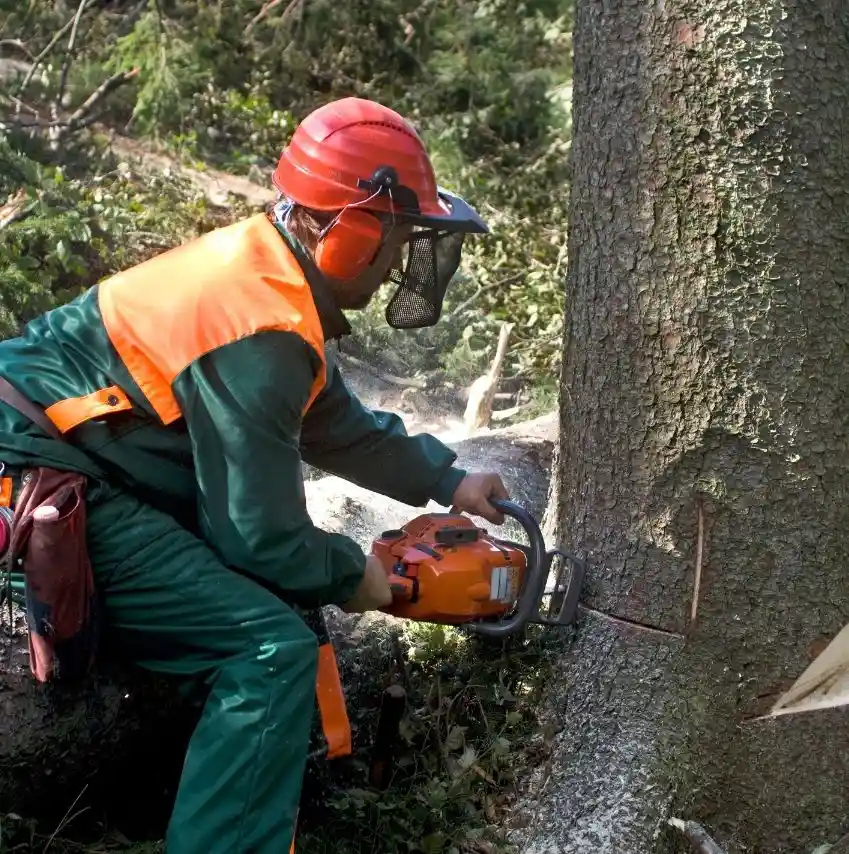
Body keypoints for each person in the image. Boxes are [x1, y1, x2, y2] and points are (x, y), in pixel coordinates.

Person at [0, 97, 510, 852]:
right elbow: (260, 537)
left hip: (76, 454)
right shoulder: (261, 327)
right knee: (268, 652)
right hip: (47, 473)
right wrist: (358, 577)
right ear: (353, 227)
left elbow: (334, 424)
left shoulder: (266, 279)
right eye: (398, 238)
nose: (402, 261)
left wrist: (448, 479)